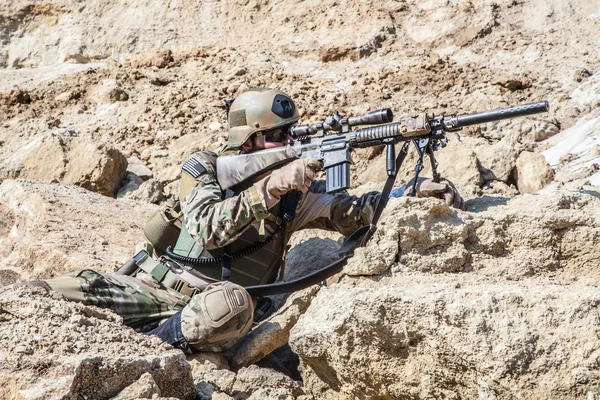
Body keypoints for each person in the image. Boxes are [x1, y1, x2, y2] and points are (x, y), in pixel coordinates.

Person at [0, 88, 464, 354]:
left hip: (207, 312)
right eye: (280, 137)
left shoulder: (293, 197)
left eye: (293, 135)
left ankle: (155, 348)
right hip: (152, 287)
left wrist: (407, 192)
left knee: (232, 304)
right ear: (249, 141)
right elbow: (207, 227)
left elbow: (348, 211)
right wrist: (275, 184)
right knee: (50, 294)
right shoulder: (202, 169)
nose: (290, 142)